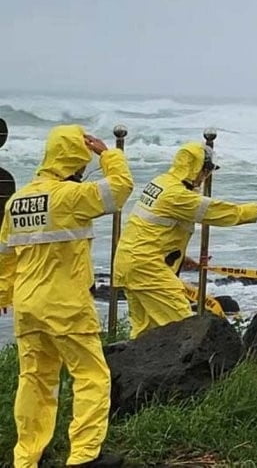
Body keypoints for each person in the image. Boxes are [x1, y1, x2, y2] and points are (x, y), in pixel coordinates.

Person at [0, 125, 134, 468]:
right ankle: (85, 456)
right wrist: (108, 154)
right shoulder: (70, 197)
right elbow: (119, 190)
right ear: (75, 160)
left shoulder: (17, 201)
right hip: (65, 304)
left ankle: (26, 458)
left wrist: (3, 292)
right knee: (90, 375)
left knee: (34, 380)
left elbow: (4, 254)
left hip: (26, 304)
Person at [114, 142, 257, 338]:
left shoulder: (162, 182)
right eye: (206, 171)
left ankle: (135, 367)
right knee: (183, 329)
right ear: (197, 168)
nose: (207, 176)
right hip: (148, 269)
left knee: (145, 332)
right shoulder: (178, 196)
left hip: (130, 263)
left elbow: (151, 232)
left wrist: (182, 259)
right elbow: (222, 213)